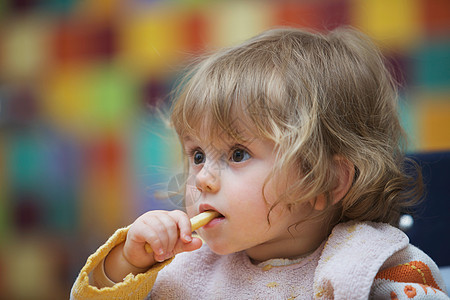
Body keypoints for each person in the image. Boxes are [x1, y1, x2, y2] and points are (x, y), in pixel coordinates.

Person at [71, 27, 449, 299]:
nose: (203, 178)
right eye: (197, 155)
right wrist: (127, 264)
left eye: (237, 154)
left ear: (327, 182)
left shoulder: (372, 265)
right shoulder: (187, 266)